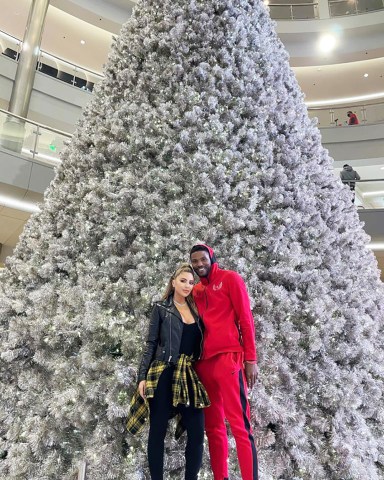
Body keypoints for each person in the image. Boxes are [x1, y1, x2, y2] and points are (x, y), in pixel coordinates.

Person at [127, 263, 210, 480]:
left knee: (197, 429)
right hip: (163, 372)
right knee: (158, 430)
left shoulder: (197, 312)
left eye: (191, 282)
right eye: (183, 281)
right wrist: (142, 377)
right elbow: (151, 344)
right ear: (173, 282)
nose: (187, 285)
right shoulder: (161, 308)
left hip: (186, 374)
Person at [190, 244, 258, 480]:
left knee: (240, 426)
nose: (199, 264)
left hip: (229, 360)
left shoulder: (230, 279)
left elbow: (246, 319)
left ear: (212, 258)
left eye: (203, 259)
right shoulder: (196, 290)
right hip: (204, 364)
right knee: (214, 428)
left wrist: (251, 358)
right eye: (195, 261)